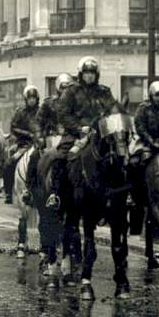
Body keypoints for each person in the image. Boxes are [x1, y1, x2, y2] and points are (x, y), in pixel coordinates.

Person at [47, 58, 117, 208]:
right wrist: (79, 128)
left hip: (100, 134)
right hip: (75, 135)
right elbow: (63, 114)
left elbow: (113, 110)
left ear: (96, 74)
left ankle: (120, 194)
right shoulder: (71, 91)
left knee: (119, 156)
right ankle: (55, 194)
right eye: (86, 73)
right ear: (81, 74)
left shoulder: (104, 91)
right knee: (60, 156)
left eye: (92, 73)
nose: (89, 76)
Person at [30, 73, 74, 204]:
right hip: (51, 137)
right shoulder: (49, 103)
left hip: (71, 138)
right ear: (58, 88)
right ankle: (30, 189)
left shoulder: (76, 103)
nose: (65, 90)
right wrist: (39, 136)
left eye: (68, 87)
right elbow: (37, 121)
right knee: (34, 157)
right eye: (63, 87)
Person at [3, 85, 41, 205]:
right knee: (9, 163)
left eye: (34, 98)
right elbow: (13, 127)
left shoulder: (42, 112)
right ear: (26, 99)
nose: (32, 100)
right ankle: (8, 192)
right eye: (29, 98)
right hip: (24, 145)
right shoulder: (20, 112)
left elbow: (48, 125)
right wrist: (28, 134)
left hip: (41, 144)